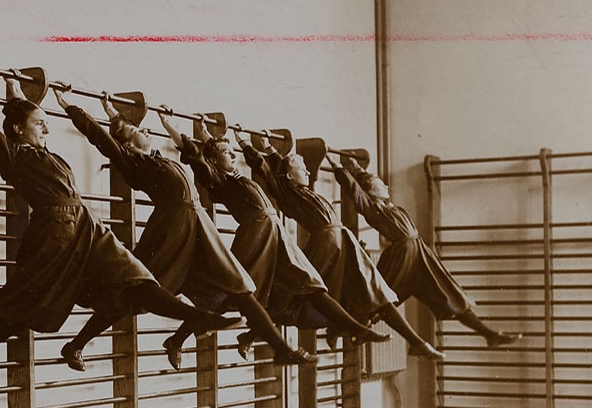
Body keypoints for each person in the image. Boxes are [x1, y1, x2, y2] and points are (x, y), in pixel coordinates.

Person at [0, 59, 238, 387]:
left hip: (87, 227)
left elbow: (19, 114)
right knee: (26, 306)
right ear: (20, 130)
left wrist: (15, 89)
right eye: (40, 124)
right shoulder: (13, 157)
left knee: (137, 278)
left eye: (46, 123)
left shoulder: (45, 153)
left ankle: (197, 317)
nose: (47, 130)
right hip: (53, 235)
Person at [51, 88, 316, 369]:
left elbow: (187, 150)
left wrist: (112, 111)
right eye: (138, 131)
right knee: (132, 291)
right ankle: (75, 345)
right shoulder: (133, 162)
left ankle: (281, 348)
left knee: (242, 289)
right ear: (128, 143)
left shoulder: (161, 159)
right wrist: (71, 106)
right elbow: (102, 138)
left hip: (200, 230)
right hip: (171, 232)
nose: (146, 132)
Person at [159, 113, 389, 358]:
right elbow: (194, 155)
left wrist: (210, 134)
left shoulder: (237, 176)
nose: (233, 155)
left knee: (312, 286)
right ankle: (177, 339)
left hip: (275, 233)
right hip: (255, 236)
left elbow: (226, 154)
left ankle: (356, 328)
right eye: (227, 153)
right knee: (232, 292)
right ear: (214, 161)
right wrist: (168, 126)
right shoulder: (218, 180)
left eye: (232, 152)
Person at [237, 130, 444, 359]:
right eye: (301, 167)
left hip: (343, 243)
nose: (307, 170)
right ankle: (250, 335)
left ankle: (416, 342)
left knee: (376, 291)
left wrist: (270, 149)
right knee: (294, 296)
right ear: (288, 176)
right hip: (326, 246)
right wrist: (247, 144)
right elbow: (268, 172)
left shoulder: (302, 189)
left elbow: (281, 167)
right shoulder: (288, 192)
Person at [331, 155, 521, 349]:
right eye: (381, 185)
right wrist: (339, 169)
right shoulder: (373, 208)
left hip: (420, 254)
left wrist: (358, 170)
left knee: (451, 296)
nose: (386, 187)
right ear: (372, 192)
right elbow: (356, 191)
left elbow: (365, 183)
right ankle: (341, 327)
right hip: (402, 257)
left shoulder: (393, 207)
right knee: (378, 300)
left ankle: (488, 333)